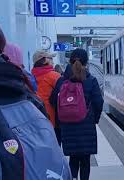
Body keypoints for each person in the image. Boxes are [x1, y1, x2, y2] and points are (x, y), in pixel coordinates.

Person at [0, 22, 71, 180]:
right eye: (49, 59)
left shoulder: (31, 76)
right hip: (46, 127)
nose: (51, 62)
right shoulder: (25, 83)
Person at [50, 48, 103, 180]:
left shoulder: (62, 81)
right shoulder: (91, 80)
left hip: (68, 128)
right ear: (86, 62)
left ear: (70, 61)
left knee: (73, 159)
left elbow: (53, 101)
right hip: (87, 127)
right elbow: (98, 102)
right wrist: (94, 119)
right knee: (85, 161)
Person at [31, 50, 62, 144]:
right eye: (51, 58)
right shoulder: (55, 76)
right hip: (53, 122)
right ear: (45, 61)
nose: (53, 61)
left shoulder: (29, 77)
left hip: (35, 121)